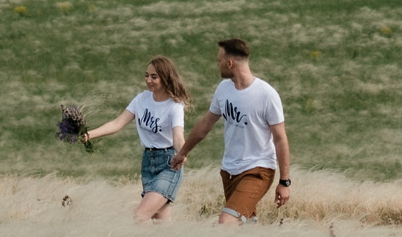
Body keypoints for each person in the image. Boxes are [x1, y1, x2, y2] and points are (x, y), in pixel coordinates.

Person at [171, 37, 290, 225]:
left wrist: (284, 182)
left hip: (258, 169)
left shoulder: (266, 95)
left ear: (230, 63)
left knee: (226, 221)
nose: (217, 64)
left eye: (219, 61)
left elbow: (280, 139)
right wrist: (183, 152)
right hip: (229, 171)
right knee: (245, 226)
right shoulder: (224, 89)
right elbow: (205, 125)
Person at [78, 56, 189, 220]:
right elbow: (117, 123)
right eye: (147, 75)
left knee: (140, 215)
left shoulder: (175, 106)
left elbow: (178, 136)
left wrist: (183, 154)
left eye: (154, 77)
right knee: (161, 224)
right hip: (148, 163)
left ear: (166, 78)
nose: (148, 80)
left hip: (169, 164)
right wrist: (89, 135)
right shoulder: (141, 99)